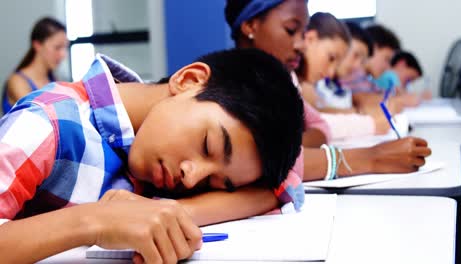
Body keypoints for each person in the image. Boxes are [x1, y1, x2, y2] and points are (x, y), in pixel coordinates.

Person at [0, 49, 305, 263]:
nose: (193, 177)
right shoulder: (49, 123)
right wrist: (93, 221)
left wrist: (176, 212)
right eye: (208, 145)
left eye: (215, 182)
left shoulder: (149, 156)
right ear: (188, 81)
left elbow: (276, 190)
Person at [224, 0, 431, 182]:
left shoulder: (282, 82)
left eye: (303, 33)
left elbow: (318, 125)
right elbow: (260, 161)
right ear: (250, 25)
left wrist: (289, 145)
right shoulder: (230, 88)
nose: (301, 45)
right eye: (290, 29)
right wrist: (371, 157)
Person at [2, 17, 68, 114]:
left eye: (65, 47)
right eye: (57, 47)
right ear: (37, 45)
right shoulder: (17, 81)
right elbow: (41, 116)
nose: (63, 55)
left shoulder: (54, 80)